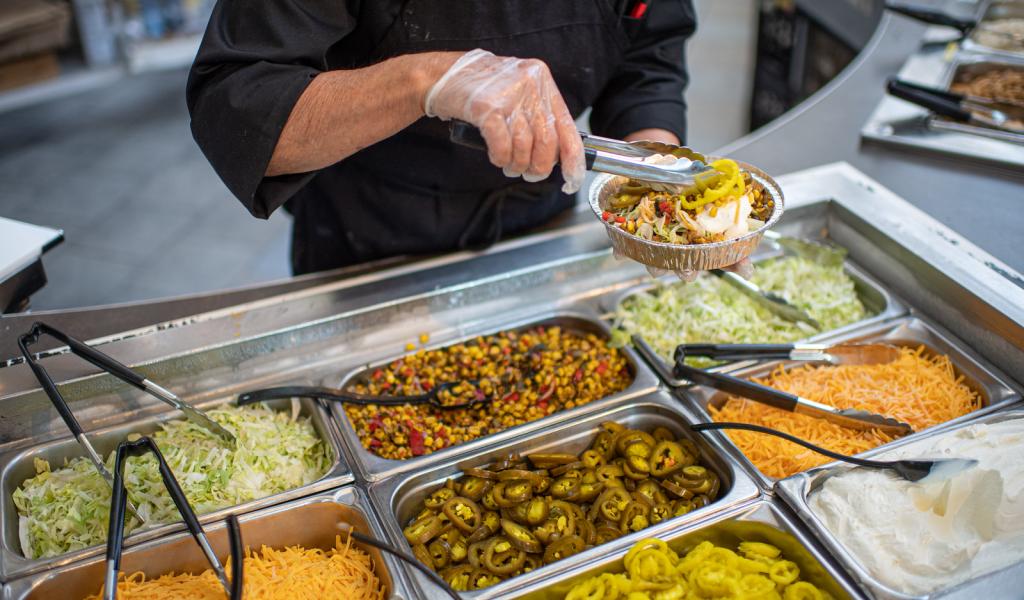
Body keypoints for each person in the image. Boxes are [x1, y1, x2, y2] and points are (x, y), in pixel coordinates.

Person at [187, 1, 697, 275]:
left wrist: (655, 175)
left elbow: (648, 55)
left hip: (540, 232)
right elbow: (236, 104)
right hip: (369, 244)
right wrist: (427, 80)